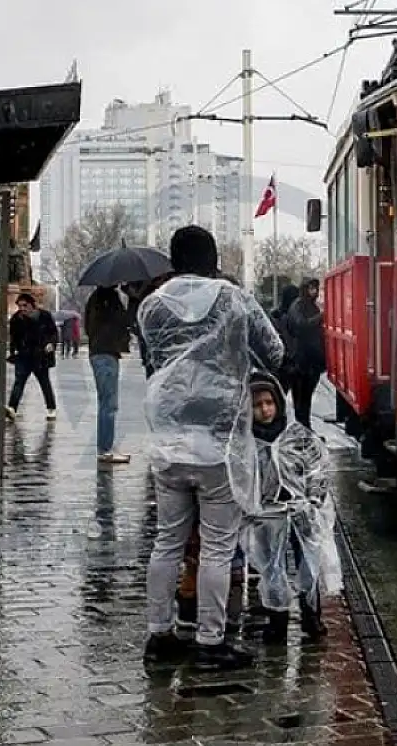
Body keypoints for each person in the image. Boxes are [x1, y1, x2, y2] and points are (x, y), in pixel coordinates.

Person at [139, 225, 284, 670]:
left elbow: (156, 359)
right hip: (219, 441)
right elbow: (273, 351)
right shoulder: (234, 299)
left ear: (173, 260)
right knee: (218, 546)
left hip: (167, 436)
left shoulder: (151, 306)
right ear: (213, 257)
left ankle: (159, 635)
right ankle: (210, 640)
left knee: (168, 540)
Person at [246, 374, 339, 643]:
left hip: (300, 511)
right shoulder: (246, 442)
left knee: (308, 563)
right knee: (272, 568)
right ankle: (278, 619)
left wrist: (313, 499)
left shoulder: (296, 436)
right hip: (268, 514)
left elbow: (316, 468)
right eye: (257, 405)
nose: (265, 410)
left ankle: (312, 614)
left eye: (269, 403)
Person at [84, 286, 131, 464]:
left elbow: (88, 327)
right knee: (109, 404)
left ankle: (105, 447)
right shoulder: (109, 298)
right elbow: (122, 321)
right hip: (106, 352)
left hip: (98, 351)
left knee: (105, 403)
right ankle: (105, 449)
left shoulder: (95, 298)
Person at [5, 292, 58, 420]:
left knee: (44, 383)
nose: (22, 308)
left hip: (40, 355)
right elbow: (13, 338)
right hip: (24, 355)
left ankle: (51, 408)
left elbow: (53, 332)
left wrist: (51, 344)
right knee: (19, 382)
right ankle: (12, 408)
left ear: (32, 305)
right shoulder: (16, 319)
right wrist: (12, 353)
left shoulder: (44, 316)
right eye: (19, 305)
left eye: (25, 305)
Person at [282, 278, 326, 427]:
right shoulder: (298, 306)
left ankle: (305, 430)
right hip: (301, 363)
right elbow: (301, 324)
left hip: (312, 363)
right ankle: (302, 431)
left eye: (316, 288)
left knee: (306, 401)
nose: (314, 291)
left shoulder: (312, 306)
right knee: (301, 402)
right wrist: (321, 317)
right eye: (311, 288)